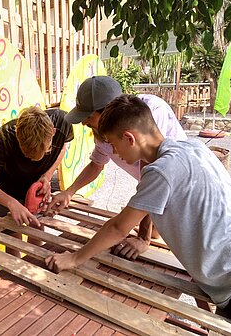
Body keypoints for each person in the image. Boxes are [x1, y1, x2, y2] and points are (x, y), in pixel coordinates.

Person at [45, 94, 231, 333]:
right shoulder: (193, 147)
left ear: (129, 138)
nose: (115, 153)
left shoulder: (161, 171)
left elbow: (118, 228)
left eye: (114, 145)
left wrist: (74, 258)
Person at [48, 76, 187, 260]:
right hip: (156, 188)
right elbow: (97, 164)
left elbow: (150, 183)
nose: (84, 123)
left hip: (172, 189)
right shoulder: (100, 131)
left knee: (167, 231)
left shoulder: (151, 112)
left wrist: (143, 238)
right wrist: (69, 192)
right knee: (157, 227)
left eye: (88, 116)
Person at [0, 106, 73, 256]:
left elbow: (63, 147)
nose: (31, 160)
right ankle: (16, 276)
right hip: (8, 189)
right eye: (27, 154)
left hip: (36, 189)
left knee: (37, 229)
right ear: (17, 135)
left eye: (44, 152)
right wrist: (11, 203)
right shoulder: (5, 136)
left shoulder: (64, 123)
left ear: (53, 133)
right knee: (12, 237)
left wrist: (47, 176)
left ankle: (34, 266)